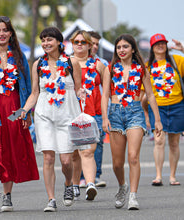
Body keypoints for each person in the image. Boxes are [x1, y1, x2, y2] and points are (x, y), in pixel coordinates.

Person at [0, 16, 39, 213]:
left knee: (10, 152)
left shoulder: (19, 57)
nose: (1, 33)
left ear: (11, 33)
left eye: (5, 30)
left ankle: (7, 197)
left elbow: (28, 89)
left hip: (13, 111)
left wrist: (26, 113)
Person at [21, 27, 86, 212]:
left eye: (49, 39)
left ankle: (68, 184)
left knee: (66, 160)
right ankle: (51, 199)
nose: (45, 43)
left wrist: (82, 93)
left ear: (59, 42)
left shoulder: (72, 62)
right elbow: (35, 93)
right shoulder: (38, 65)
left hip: (67, 114)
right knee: (48, 157)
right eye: (43, 40)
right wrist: (24, 110)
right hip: (44, 115)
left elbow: (78, 89)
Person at [101, 34, 162, 210]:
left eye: (125, 47)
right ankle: (123, 186)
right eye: (119, 47)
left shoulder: (141, 69)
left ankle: (133, 196)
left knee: (133, 157)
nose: (121, 50)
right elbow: (105, 95)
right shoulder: (110, 68)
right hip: (115, 114)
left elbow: (150, 94)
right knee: (117, 163)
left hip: (135, 112)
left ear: (133, 49)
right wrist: (105, 117)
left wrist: (157, 120)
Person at [144, 33, 184, 186]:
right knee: (159, 141)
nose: (160, 46)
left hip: (177, 105)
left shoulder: (176, 60)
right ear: (152, 47)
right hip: (157, 108)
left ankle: (172, 176)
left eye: (163, 43)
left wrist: (183, 50)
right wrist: (146, 114)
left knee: (174, 142)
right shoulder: (147, 66)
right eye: (157, 43)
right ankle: (159, 175)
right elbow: (143, 94)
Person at [70, 30, 106, 200]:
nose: (79, 44)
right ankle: (75, 184)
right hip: (72, 114)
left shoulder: (99, 65)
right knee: (75, 154)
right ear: (71, 44)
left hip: (94, 113)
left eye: (83, 42)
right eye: (76, 41)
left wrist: (106, 117)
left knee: (88, 151)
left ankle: (90, 183)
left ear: (89, 45)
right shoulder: (66, 64)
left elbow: (107, 93)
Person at [87, 31, 108, 187]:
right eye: (91, 43)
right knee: (81, 143)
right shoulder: (72, 61)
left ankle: (96, 175)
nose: (94, 47)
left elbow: (107, 89)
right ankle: (81, 177)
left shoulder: (102, 64)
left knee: (98, 142)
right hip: (80, 109)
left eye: (96, 44)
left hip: (98, 109)